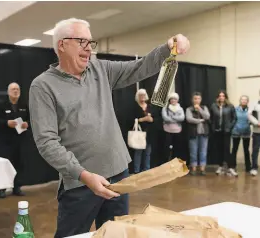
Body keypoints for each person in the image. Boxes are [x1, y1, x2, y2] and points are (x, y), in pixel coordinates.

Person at [28, 18, 190, 237]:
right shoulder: (43, 86)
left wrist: (167, 47)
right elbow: (47, 142)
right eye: (81, 41)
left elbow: (139, 68)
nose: (88, 48)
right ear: (62, 45)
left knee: (115, 233)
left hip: (119, 176)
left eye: (90, 43)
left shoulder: (100, 69)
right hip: (80, 184)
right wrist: (83, 175)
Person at [0, 82, 29, 198]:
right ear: (8, 92)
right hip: (5, 142)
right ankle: (1, 189)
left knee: (19, 165)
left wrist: (26, 124)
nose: (16, 91)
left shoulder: (24, 105)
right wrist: (6, 123)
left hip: (19, 141)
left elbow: (28, 120)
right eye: (13, 89)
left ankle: (17, 188)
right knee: (5, 165)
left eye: (17, 89)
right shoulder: (1, 105)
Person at [210, 90, 237, 176]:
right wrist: (213, 127)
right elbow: (211, 118)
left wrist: (229, 127)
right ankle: (220, 166)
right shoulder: (214, 106)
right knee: (219, 149)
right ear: (218, 97)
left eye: (223, 96)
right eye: (220, 96)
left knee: (226, 149)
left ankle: (230, 168)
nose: (221, 97)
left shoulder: (230, 106)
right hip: (217, 131)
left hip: (226, 131)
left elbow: (234, 118)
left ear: (225, 97)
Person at [186, 92, 210, 176]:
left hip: (204, 133)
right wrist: (200, 120)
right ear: (192, 100)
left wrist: (199, 109)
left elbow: (207, 116)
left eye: (198, 98)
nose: (197, 100)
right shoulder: (189, 109)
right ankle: (193, 169)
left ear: (201, 100)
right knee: (193, 152)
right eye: (195, 98)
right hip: (193, 133)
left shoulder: (204, 107)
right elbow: (189, 119)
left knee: (203, 152)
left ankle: (202, 169)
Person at [133, 89, 153, 174]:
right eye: (140, 95)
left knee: (147, 152)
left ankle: (146, 170)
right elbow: (132, 119)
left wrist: (151, 119)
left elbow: (153, 119)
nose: (142, 97)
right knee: (138, 152)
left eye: (144, 95)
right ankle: (136, 171)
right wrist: (144, 119)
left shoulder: (150, 107)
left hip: (149, 133)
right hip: (139, 133)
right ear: (137, 96)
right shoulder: (134, 107)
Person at [161, 92, 185, 161]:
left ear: (177, 100)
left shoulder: (180, 109)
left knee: (177, 148)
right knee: (167, 149)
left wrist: (171, 117)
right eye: (172, 99)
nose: (173, 100)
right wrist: (176, 118)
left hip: (177, 131)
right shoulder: (165, 108)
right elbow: (165, 118)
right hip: (167, 130)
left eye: (175, 99)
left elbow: (182, 118)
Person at [231, 95, 251, 175]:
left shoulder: (250, 110)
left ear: (247, 101)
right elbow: (232, 119)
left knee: (246, 150)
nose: (244, 101)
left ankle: (248, 167)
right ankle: (232, 166)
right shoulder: (235, 109)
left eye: (245, 100)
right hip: (236, 131)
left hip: (246, 132)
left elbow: (252, 119)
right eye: (242, 99)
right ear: (240, 101)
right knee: (234, 149)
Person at [248, 95, 260, 176]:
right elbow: (249, 114)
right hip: (257, 131)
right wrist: (257, 123)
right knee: (255, 150)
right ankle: (254, 168)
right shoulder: (254, 103)